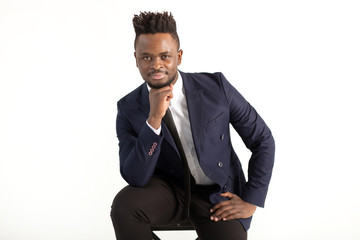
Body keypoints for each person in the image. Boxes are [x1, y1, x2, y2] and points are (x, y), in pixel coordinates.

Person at [110, 11, 275, 240]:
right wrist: (154, 119)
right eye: (146, 57)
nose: (156, 65)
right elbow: (135, 177)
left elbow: (262, 139)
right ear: (136, 59)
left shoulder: (217, 87)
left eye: (164, 56)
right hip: (169, 191)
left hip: (218, 195)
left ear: (179, 56)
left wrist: (251, 199)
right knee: (124, 207)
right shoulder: (128, 108)